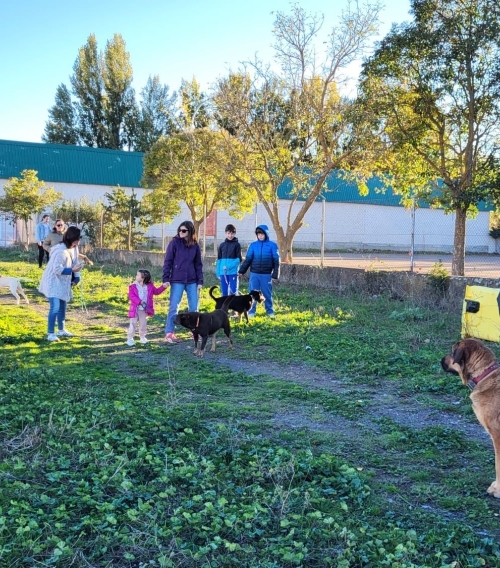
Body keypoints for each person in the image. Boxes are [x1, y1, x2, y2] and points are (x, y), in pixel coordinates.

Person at [38, 226, 83, 342]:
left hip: (63, 281)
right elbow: (56, 269)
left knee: (62, 305)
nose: (79, 241)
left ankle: (61, 330)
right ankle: (51, 333)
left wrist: (76, 278)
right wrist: (72, 271)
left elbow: (75, 263)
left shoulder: (73, 248)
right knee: (55, 307)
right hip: (53, 281)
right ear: (72, 238)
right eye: (78, 238)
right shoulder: (60, 251)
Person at [162, 220, 203, 343]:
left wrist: (200, 280)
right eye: (180, 230)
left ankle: (195, 331)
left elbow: (198, 265)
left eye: (184, 231)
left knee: (194, 308)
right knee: (174, 306)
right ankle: (169, 333)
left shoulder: (195, 245)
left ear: (190, 232)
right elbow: (167, 261)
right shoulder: (174, 243)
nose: (181, 232)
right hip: (177, 280)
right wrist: (166, 278)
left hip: (192, 281)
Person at [238, 224, 280, 318]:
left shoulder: (272, 245)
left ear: (266, 234)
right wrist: (242, 270)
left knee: (267, 293)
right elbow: (248, 259)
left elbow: (276, 260)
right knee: (252, 293)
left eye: (262, 234)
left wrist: (275, 273)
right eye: (258, 234)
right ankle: (251, 311)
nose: (260, 236)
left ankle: (270, 311)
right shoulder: (253, 245)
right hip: (254, 273)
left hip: (266, 274)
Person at [126, 269, 167, 347]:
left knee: (143, 324)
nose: (136, 276)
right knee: (133, 323)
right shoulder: (133, 286)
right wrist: (139, 301)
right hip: (135, 309)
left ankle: (142, 337)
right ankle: (130, 338)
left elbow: (157, 292)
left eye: (138, 275)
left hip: (144, 309)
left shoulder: (150, 286)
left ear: (143, 277)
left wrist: (163, 287)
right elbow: (131, 296)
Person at [216, 223, 242, 295]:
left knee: (233, 291)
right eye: (228, 233)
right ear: (225, 233)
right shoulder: (222, 245)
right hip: (222, 273)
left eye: (232, 233)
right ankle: (224, 306)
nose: (230, 235)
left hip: (233, 272)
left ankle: (234, 306)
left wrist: (228, 267)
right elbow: (219, 260)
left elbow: (238, 260)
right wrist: (218, 273)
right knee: (224, 292)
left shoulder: (237, 245)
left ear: (234, 233)